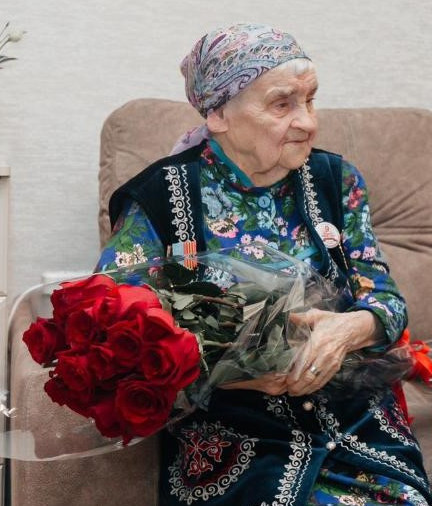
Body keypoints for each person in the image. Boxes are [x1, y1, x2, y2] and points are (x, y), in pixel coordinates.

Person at [96, 23, 432, 506]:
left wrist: (349, 330)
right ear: (218, 114)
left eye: (310, 100)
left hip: (354, 421)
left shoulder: (336, 180)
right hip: (233, 437)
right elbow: (114, 338)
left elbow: (385, 298)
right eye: (282, 105)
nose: (308, 123)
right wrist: (234, 374)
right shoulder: (160, 199)